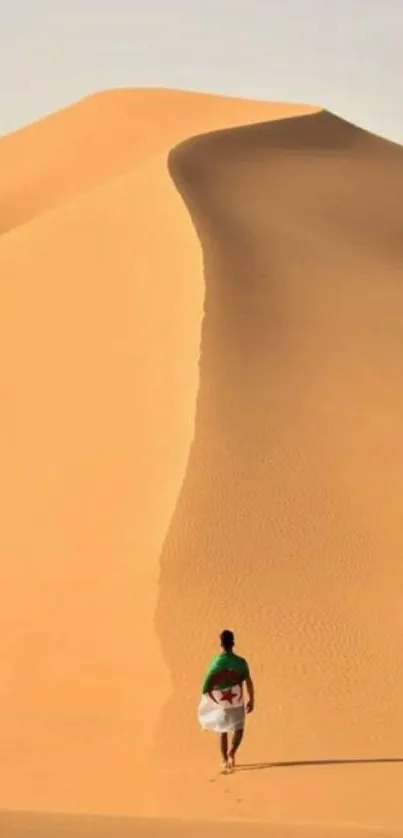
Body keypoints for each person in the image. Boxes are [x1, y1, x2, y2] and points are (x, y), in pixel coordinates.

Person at [200, 629, 254, 773]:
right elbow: (248, 682)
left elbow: (207, 682)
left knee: (222, 730)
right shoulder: (241, 662)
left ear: (221, 644)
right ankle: (232, 752)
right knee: (239, 730)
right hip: (236, 701)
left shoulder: (216, 661)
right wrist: (252, 700)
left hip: (221, 703)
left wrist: (207, 698)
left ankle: (224, 759)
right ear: (233, 644)